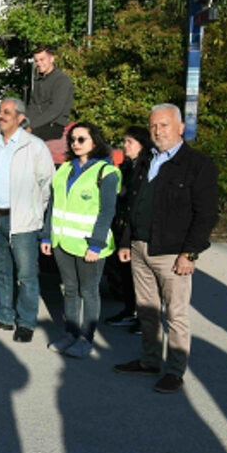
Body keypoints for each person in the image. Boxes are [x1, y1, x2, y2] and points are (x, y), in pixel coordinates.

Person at [114, 104, 218, 394]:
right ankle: (149, 360)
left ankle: (174, 370)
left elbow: (206, 214)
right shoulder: (146, 161)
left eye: (164, 125)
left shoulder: (197, 165)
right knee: (146, 312)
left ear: (181, 127)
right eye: (153, 126)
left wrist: (191, 253)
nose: (158, 131)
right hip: (139, 249)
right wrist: (126, 242)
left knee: (175, 314)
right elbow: (133, 204)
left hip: (173, 254)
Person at [0, 98, 55, 343]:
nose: (1, 115)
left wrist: (35, 212)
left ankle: (26, 322)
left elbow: (47, 185)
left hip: (21, 220)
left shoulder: (34, 146)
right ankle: (3, 315)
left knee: (26, 274)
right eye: (0, 112)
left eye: (7, 112)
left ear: (20, 117)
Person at [40, 123, 121, 358]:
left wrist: (96, 244)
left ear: (94, 142)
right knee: (71, 290)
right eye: (73, 140)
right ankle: (71, 333)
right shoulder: (64, 168)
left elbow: (107, 212)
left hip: (89, 245)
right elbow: (54, 205)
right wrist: (47, 234)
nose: (75, 143)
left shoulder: (106, 172)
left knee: (89, 291)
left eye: (81, 139)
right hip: (62, 242)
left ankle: (86, 338)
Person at [104, 125, 152, 331]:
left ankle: (144, 319)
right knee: (125, 273)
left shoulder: (147, 167)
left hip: (137, 229)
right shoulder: (126, 166)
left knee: (140, 277)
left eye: (129, 142)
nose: (125, 146)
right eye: (125, 142)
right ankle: (129, 309)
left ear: (142, 145)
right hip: (121, 226)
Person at [27, 45, 74, 141]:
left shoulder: (62, 80)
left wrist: (31, 126)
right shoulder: (38, 80)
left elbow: (55, 110)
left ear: (52, 59)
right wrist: (24, 123)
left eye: (42, 59)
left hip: (54, 125)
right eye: (36, 61)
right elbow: (33, 106)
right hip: (38, 124)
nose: (39, 63)